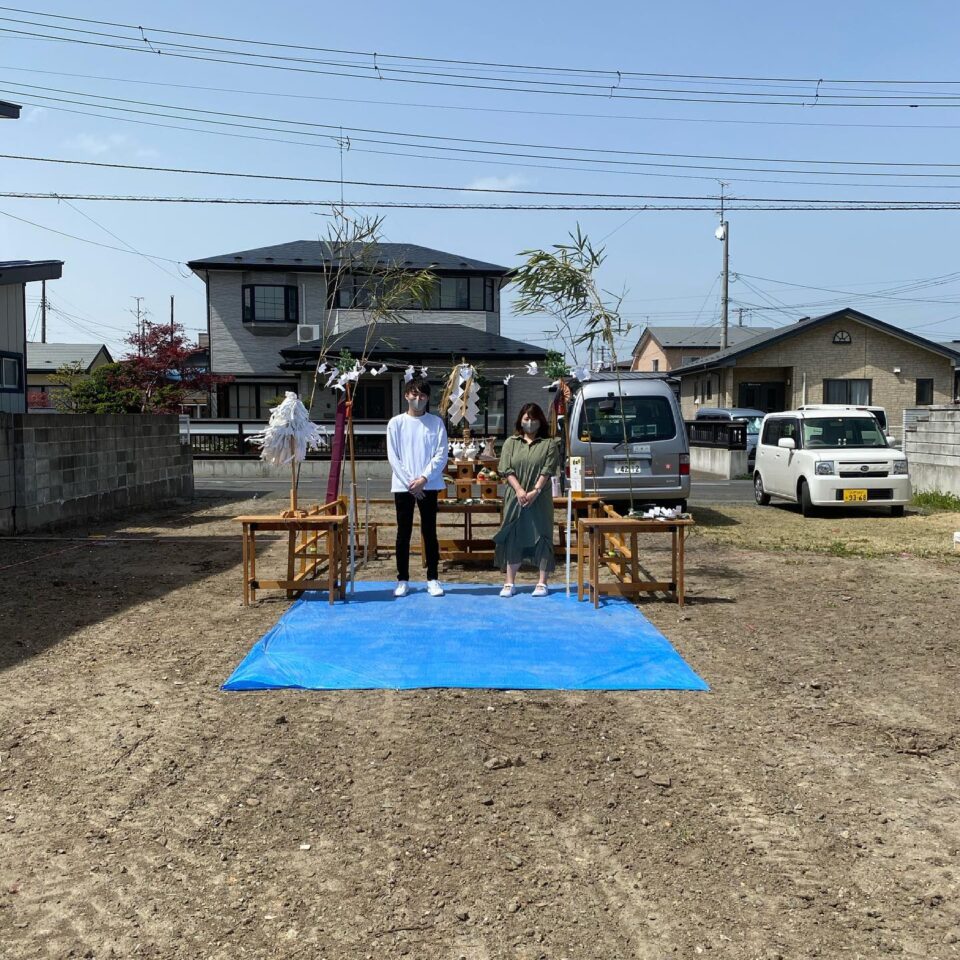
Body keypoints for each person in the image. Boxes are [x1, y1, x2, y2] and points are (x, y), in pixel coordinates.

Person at [386, 377, 448, 598]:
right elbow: (393, 456)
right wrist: (411, 483)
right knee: (403, 532)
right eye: (414, 394)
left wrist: (423, 478)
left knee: (429, 531)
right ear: (406, 395)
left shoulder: (436, 423)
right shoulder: (396, 423)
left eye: (422, 395)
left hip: (429, 485)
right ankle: (403, 579)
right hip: (403, 487)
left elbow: (441, 455)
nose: (418, 398)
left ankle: (433, 578)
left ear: (427, 398)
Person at [493, 403, 560, 597]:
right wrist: (520, 490)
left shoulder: (549, 444)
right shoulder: (510, 442)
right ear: (520, 420)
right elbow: (506, 468)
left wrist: (535, 491)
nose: (530, 422)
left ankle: (542, 582)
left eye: (534, 418)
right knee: (513, 532)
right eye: (526, 418)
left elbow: (547, 469)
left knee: (542, 533)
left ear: (541, 421)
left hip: (540, 497)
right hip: (516, 496)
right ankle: (509, 582)